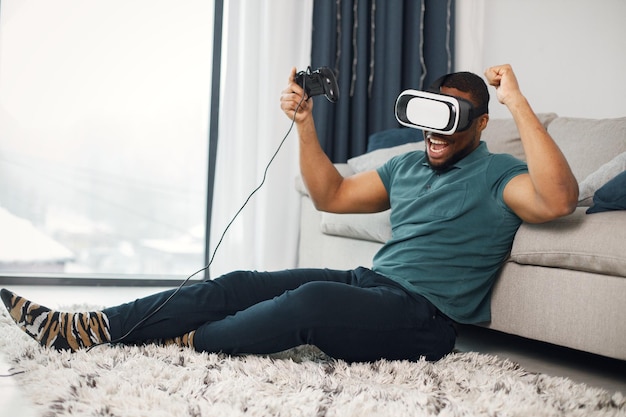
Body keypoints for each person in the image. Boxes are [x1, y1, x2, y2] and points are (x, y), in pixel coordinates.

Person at [1, 64, 578, 362]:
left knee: (307, 304)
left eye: (459, 116)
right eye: (435, 111)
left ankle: (188, 341)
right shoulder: (406, 166)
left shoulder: (502, 176)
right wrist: (305, 125)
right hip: (369, 282)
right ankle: (85, 328)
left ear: (480, 124)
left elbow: (558, 200)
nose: (439, 127)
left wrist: (515, 102)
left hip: (427, 320)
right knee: (242, 281)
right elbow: (331, 195)